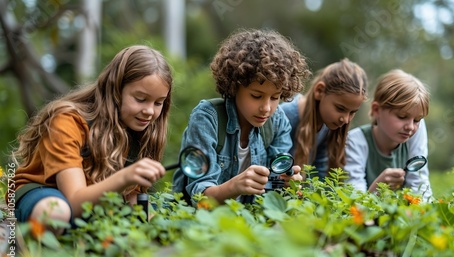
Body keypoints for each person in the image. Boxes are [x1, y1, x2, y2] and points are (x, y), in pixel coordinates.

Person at [9, 45, 173, 234]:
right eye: (140, 99)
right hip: (43, 192)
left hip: (91, 200)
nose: (150, 111)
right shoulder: (66, 121)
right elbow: (75, 203)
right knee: (56, 214)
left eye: (158, 103)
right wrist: (125, 177)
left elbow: (132, 198)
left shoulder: (140, 130)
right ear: (116, 90)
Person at [172, 28, 311, 205]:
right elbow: (199, 199)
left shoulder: (277, 122)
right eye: (256, 96)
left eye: (275, 97)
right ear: (234, 87)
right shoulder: (207, 118)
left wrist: (286, 183)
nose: (266, 108)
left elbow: (273, 188)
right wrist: (233, 187)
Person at [343, 69, 433, 200]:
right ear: (376, 110)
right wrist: (378, 188)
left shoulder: (415, 131)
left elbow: (420, 185)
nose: (410, 127)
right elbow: (353, 203)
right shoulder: (355, 142)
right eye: (402, 116)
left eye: (417, 120)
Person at [280, 58, 368, 178]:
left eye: (352, 112)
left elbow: (319, 173)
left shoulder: (327, 124)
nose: (346, 120)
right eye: (340, 108)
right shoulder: (285, 116)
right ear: (320, 91)